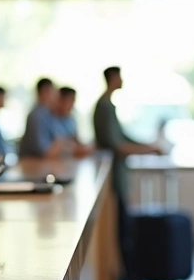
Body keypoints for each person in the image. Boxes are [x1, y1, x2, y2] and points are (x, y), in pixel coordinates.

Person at [92, 66, 164, 265]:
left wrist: (147, 146)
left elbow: (122, 138)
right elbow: (117, 144)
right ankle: (127, 273)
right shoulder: (104, 107)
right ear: (113, 78)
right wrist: (147, 150)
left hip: (119, 173)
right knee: (122, 227)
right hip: (113, 175)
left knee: (125, 225)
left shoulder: (108, 106)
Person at [20, 78, 70, 158]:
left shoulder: (49, 114)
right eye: (54, 92)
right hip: (33, 165)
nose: (57, 96)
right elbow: (44, 152)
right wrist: (62, 144)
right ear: (45, 92)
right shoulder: (37, 116)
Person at [52, 86, 94, 158]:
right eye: (70, 100)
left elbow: (75, 140)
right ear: (60, 100)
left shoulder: (71, 120)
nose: (72, 105)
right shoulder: (49, 119)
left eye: (73, 101)